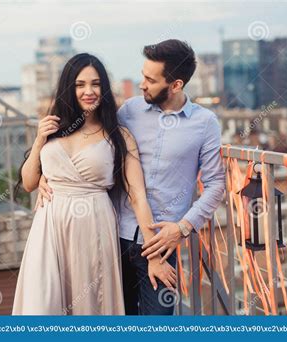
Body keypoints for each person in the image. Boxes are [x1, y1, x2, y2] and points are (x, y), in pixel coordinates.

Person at [37, 39, 225, 315]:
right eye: (142, 75)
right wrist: (48, 175)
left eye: (150, 79)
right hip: (111, 235)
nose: (142, 84)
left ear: (176, 85)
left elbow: (216, 184)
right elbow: (88, 146)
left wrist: (183, 227)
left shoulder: (205, 123)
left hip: (160, 243)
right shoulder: (129, 111)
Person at [12, 53, 176, 315]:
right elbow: (30, 183)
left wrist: (153, 255)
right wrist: (39, 141)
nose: (89, 91)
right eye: (80, 84)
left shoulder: (118, 135)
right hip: (49, 225)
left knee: (90, 302)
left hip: (93, 226)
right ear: (69, 87)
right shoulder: (52, 129)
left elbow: (137, 196)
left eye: (95, 84)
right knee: (43, 302)